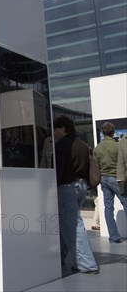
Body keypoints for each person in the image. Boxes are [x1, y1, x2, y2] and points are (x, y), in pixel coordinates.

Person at [53, 115, 99, 274]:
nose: (54, 132)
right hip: (81, 187)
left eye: (56, 128)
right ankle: (60, 256)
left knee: (73, 225)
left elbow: (58, 170)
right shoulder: (83, 145)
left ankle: (87, 264)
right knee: (67, 225)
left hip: (67, 188)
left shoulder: (62, 146)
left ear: (63, 128)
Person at [93, 122, 127, 243]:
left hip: (104, 179)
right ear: (113, 132)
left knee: (108, 208)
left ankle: (113, 236)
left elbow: (95, 165)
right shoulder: (117, 146)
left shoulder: (97, 148)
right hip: (116, 178)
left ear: (103, 132)